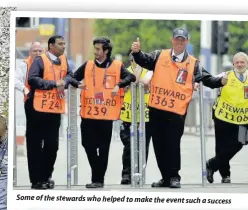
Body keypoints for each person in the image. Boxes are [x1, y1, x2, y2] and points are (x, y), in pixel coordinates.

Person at [131, 28, 227, 188]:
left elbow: (207, 78)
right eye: (177, 39)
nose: (180, 42)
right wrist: (136, 52)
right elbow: (144, 60)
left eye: (183, 39)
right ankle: (165, 178)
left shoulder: (193, 63)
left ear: (187, 41)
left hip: (177, 112)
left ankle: (175, 176)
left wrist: (220, 82)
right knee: (159, 145)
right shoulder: (159, 55)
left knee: (173, 144)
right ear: (172, 40)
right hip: (156, 109)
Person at [73, 37, 135, 188]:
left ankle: (98, 179)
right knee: (87, 144)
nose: (95, 52)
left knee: (103, 148)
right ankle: (98, 175)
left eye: (98, 49)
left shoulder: (116, 65)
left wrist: (118, 85)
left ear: (106, 51)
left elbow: (130, 76)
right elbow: (72, 77)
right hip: (88, 113)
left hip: (106, 116)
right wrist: (77, 84)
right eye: (94, 49)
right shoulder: (88, 65)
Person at [206, 52, 248, 183]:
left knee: (239, 143)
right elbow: (211, 80)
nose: (240, 64)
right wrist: (197, 84)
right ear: (233, 64)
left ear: (247, 63)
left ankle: (212, 164)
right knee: (221, 146)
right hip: (222, 115)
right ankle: (225, 175)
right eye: (237, 62)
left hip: (241, 118)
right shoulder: (226, 75)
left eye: (242, 62)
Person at [26, 35, 76, 190]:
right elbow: (32, 79)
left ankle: (46, 176)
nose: (63, 46)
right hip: (36, 108)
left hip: (54, 108)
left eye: (64, 44)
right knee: (35, 145)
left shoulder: (63, 60)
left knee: (52, 145)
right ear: (51, 46)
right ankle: (36, 180)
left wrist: (65, 82)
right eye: (60, 44)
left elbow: (70, 75)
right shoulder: (40, 60)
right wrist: (55, 83)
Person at [119, 52, 153, 184]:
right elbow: (127, 85)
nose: (137, 63)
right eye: (134, 60)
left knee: (143, 146)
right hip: (128, 116)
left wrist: (139, 77)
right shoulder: (124, 72)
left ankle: (139, 172)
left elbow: (145, 84)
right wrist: (136, 76)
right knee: (128, 145)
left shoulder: (149, 72)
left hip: (145, 117)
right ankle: (127, 174)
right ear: (130, 60)